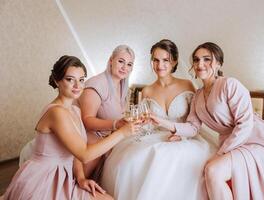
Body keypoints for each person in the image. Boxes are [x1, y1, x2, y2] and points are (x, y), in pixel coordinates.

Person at [153, 42, 264, 200]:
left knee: (213, 170)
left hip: (255, 140)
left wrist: (220, 153)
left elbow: (245, 124)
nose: (200, 64)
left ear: (218, 63)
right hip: (232, 143)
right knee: (210, 169)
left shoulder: (230, 84)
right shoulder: (197, 96)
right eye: (196, 60)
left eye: (206, 59)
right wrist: (161, 122)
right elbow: (192, 127)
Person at [2, 55, 138, 200]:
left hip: (64, 178)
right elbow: (84, 154)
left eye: (81, 80)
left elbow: (75, 152)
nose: (77, 86)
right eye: (70, 79)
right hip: (43, 180)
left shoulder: (74, 110)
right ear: (57, 81)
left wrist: (81, 178)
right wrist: (121, 133)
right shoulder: (56, 112)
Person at [100, 39, 216, 200]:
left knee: (165, 155)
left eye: (165, 60)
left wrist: (181, 135)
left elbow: (195, 120)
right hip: (156, 135)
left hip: (188, 136)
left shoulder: (187, 85)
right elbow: (145, 122)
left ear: (174, 61)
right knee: (130, 159)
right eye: (156, 60)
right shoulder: (147, 90)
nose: (160, 65)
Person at [77, 45, 135, 181]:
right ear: (111, 60)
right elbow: (87, 120)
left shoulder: (123, 86)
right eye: (121, 61)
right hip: (89, 136)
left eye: (129, 64)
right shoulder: (96, 84)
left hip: (110, 136)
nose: (124, 67)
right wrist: (116, 124)